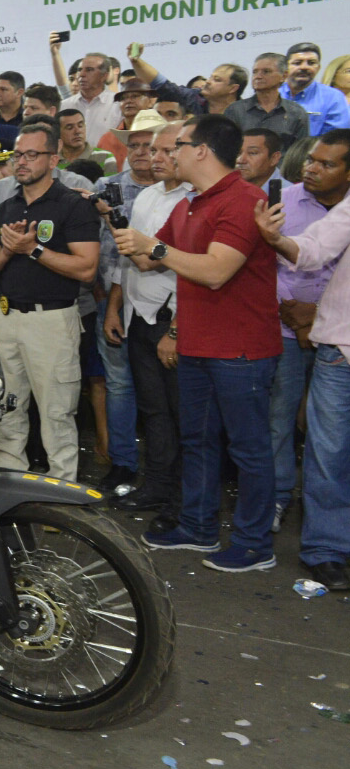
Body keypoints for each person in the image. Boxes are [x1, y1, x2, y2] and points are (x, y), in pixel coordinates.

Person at [110, 114, 280, 571]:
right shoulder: (190, 203)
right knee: (198, 439)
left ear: (201, 150)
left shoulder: (245, 200)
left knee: (248, 448)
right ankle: (199, 526)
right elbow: (149, 261)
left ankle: (254, 543)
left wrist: (155, 249)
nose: (166, 155)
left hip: (241, 348)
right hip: (199, 345)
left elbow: (215, 270)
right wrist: (124, 234)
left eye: (177, 146)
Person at [0, 123, 101, 481]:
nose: (22, 162)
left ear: (53, 158)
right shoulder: (5, 208)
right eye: (18, 155)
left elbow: (87, 269)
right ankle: (9, 491)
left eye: (32, 154)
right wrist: (8, 252)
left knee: (57, 414)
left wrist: (33, 249)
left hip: (52, 321)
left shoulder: (72, 205)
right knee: (3, 412)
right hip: (4, 317)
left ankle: (62, 500)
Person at [255, 129, 350, 590]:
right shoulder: (304, 205)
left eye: (326, 163)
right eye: (313, 160)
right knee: (327, 452)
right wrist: (277, 240)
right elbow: (311, 250)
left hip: (326, 331)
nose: (312, 168)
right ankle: (326, 550)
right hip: (336, 348)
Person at [107, 122, 193, 523]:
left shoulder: (196, 200)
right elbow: (129, 260)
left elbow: (191, 274)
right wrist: (114, 307)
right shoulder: (146, 197)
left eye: (164, 151)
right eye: (152, 151)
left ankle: (184, 501)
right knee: (153, 411)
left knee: (183, 416)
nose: (154, 159)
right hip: (137, 317)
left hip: (173, 321)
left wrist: (175, 330)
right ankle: (157, 486)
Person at [91, 110, 167, 493]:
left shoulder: (177, 191)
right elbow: (105, 250)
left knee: (162, 392)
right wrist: (105, 299)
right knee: (119, 384)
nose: (140, 152)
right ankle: (123, 463)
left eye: (148, 145)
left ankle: (162, 469)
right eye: (134, 145)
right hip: (114, 297)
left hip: (164, 305)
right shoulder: (107, 185)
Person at [225, 53, 310, 147]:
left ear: (284, 76)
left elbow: (299, 154)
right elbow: (227, 147)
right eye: (255, 72)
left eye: (266, 71)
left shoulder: (296, 113)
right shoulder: (236, 110)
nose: (258, 76)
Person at [52, 41, 121, 135]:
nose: (81, 74)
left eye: (89, 70)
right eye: (80, 70)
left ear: (104, 76)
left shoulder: (117, 104)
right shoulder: (65, 105)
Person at [281, 42, 350, 136]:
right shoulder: (273, 93)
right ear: (285, 67)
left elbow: (335, 139)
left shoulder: (333, 97)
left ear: (318, 67)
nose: (304, 67)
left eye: (311, 63)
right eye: (297, 63)